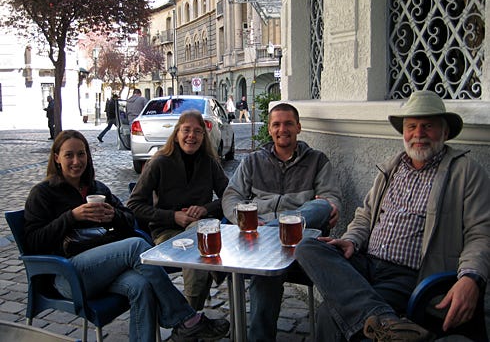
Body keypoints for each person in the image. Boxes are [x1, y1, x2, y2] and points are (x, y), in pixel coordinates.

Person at [295, 90, 490, 341]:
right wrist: (351, 239)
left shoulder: (465, 172)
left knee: (330, 315)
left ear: (444, 132)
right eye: (412, 126)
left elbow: (481, 233)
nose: (418, 134)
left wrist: (471, 277)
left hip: (407, 274)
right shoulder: (393, 166)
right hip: (366, 261)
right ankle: (386, 322)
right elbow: (365, 215)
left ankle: (384, 323)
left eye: (427, 126)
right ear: (404, 132)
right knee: (306, 246)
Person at [23, 130, 230, 342]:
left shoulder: (96, 188)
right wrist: (72, 217)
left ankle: (176, 326)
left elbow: (130, 220)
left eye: (81, 154)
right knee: (136, 246)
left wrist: (113, 216)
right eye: (69, 155)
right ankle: (186, 319)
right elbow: (33, 241)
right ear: (56, 157)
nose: (76, 161)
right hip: (67, 274)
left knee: (142, 286)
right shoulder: (43, 193)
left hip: (104, 269)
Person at [222, 102, 342, 341]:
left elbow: (330, 198)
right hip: (260, 246)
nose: (282, 129)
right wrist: (246, 220)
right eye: (276, 124)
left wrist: (333, 205)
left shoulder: (317, 160)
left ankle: (271, 239)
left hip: (301, 246)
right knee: (267, 269)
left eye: (288, 123)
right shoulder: (252, 161)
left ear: (298, 127)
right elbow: (231, 195)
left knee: (321, 206)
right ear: (269, 129)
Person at [128, 110, 229, 311]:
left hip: (202, 228)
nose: (192, 135)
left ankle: (189, 318)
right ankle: (192, 314)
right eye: (186, 130)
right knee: (199, 246)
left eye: (198, 131)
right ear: (177, 133)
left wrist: (204, 208)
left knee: (200, 237)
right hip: (166, 233)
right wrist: (173, 216)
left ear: (203, 136)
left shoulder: (210, 163)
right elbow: (134, 205)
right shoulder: (159, 163)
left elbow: (230, 196)